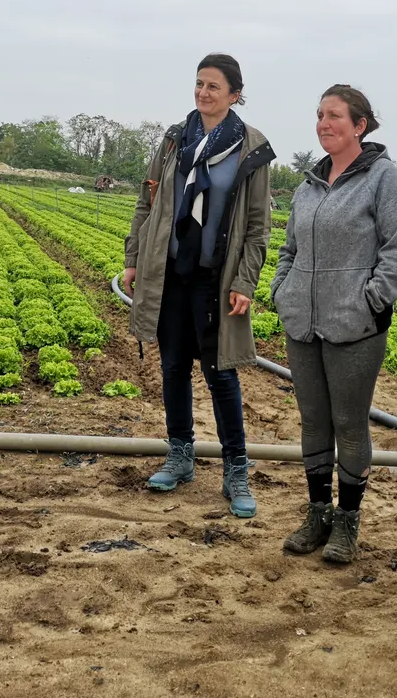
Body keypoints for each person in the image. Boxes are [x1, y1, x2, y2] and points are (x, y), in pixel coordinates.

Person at [122, 53, 275, 519]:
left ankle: (236, 470)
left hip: (215, 279)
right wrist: (133, 259)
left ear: (235, 94)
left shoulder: (251, 148)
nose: (203, 93)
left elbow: (257, 226)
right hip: (169, 274)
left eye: (213, 87)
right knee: (172, 368)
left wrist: (245, 279)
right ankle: (180, 456)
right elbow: (146, 203)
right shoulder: (174, 141)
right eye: (199, 84)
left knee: (220, 375)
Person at [272, 85, 397, 564]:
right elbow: (289, 249)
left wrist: (371, 300)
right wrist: (282, 291)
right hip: (303, 323)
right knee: (313, 421)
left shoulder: (383, 178)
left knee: (349, 424)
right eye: (319, 115)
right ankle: (318, 514)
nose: (323, 123)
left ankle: (348, 522)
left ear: (360, 125)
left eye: (334, 115)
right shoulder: (308, 184)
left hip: (355, 325)